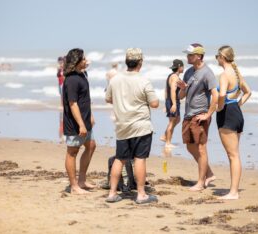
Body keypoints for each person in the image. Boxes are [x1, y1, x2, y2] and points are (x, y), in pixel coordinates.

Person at [105, 48, 159, 204]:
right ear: (140, 63)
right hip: (141, 126)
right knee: (140, 159)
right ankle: (141, 194)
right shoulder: (143, 80)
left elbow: (108, 99)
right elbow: (154, 103)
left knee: (120, 159)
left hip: (122, 126)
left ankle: (112, 193)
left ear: (126, 62)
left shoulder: (115, 80)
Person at [177, 43, 218, 191]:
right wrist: (182, 89)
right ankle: (209, 173)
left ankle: (201, 182)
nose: (187, 57)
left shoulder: (207, 73)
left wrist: (208, 114)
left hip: (199, 115)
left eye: (190, 55)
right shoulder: (188, 72)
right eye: (187, 54)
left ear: (199, 56)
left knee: (201, 148)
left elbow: (216, 95)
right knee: (189, 146)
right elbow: (181, 96)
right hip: (188, 114)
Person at [215, 45, 251, 200]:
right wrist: (237, 104)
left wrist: (220, 107)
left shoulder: (224, 75)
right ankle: (233, 190)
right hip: (236, 113)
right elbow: (248, 92)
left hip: (227, 114)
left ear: (222, 57)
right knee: (234, 154)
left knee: (233, 155)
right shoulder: (237, 74)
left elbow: (222, 94)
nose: (216, 59)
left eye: (217, 56)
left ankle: (233, 192)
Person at [62, 48, 96, 194]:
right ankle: (74, 186)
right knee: (72, 152)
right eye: (83, 59)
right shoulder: (71, 80)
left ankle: (82, 181)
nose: (86, 61)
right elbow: (73, 103)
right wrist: (81, 124)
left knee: (91, 146)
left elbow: (86, 99)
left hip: (85, 120)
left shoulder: (83, 74)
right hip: (75, 124)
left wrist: (91, 116)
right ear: (77, 61)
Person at [160, 59, 184, 148]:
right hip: (173, 101)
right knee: (172, 121)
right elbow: (173, 91)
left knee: (177, 120)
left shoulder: (171, 76)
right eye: (182, 66)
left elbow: (166, 90)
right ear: (179, 67)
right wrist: (173, 104)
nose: (183, 68)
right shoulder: (175, 77)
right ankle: (168, 142)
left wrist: (166, 103)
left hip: (170, 101)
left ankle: (165, 136)